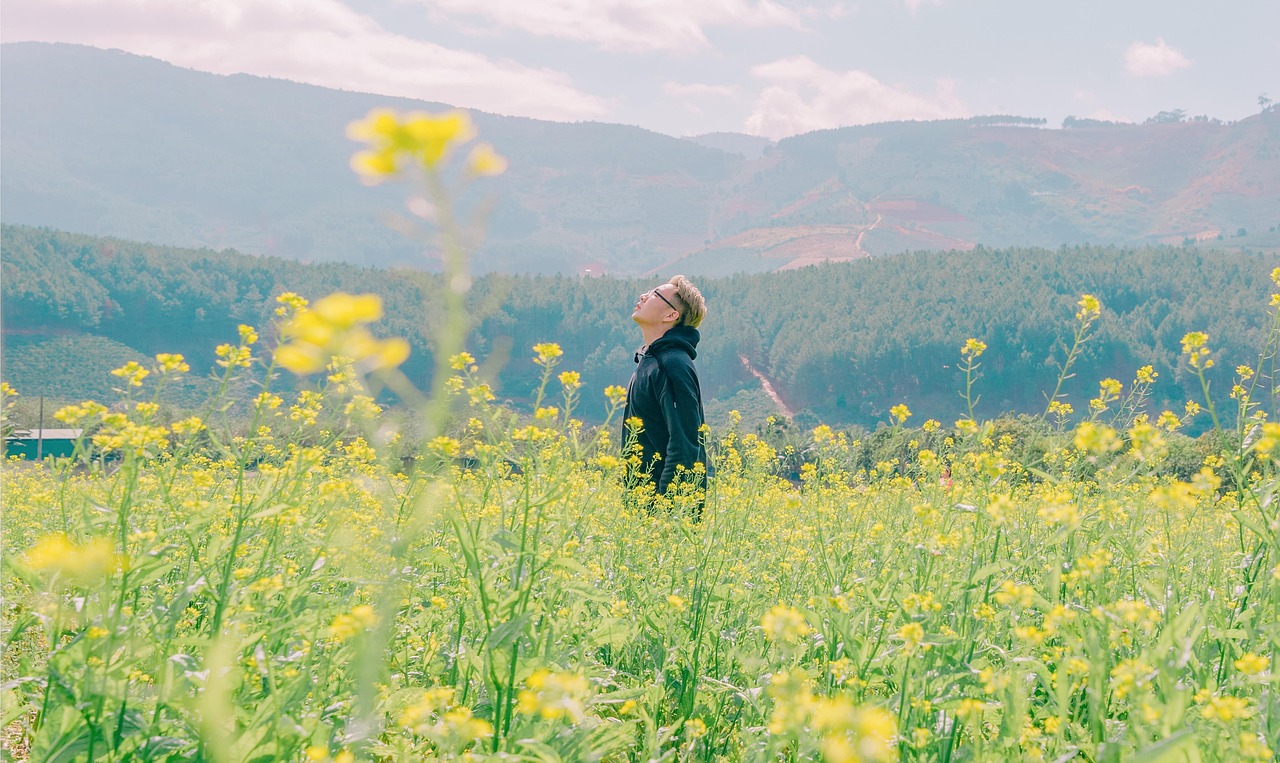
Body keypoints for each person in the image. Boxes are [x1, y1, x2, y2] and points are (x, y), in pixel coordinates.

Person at [621, 274, 709, 517]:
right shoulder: (651, 360)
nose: (643, 296)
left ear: (671, 315)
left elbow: (684, 444)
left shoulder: (672, 365)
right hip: (642, 508)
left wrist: (666, 514)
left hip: (662, 514)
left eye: (654, 294)